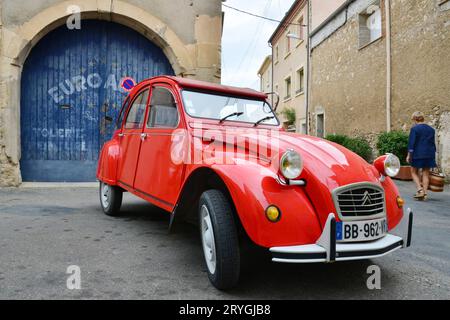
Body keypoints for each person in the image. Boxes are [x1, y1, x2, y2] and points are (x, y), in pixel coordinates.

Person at [406, 111, 437, 200]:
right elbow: (433, 144)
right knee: (425, 174)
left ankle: (420, 190)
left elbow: (411, 143)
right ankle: (425, 194)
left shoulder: (414, 129)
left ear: (415, 119)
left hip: (418, 154)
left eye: (413, 120)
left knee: (413, 172)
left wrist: (409, 155)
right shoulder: (431, 129)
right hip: (429, 154)